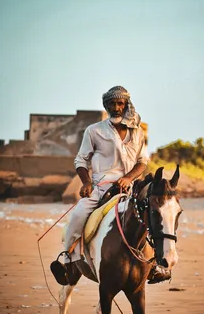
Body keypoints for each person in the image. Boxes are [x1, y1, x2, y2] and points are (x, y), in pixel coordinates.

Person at [60, 86, 171, 284]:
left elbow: (142, 162)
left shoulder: (137, 132)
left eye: (120, 103)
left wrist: (128, 178)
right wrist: (86, 182)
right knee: (77, 215)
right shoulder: (94, 131)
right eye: (112, 103)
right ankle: (68, 260)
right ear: (106, 105)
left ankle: (156, 265)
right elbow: (81, 160)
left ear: (126, 105)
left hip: (131, 188)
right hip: (101, 187)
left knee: (155, 217)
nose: (116, 107)